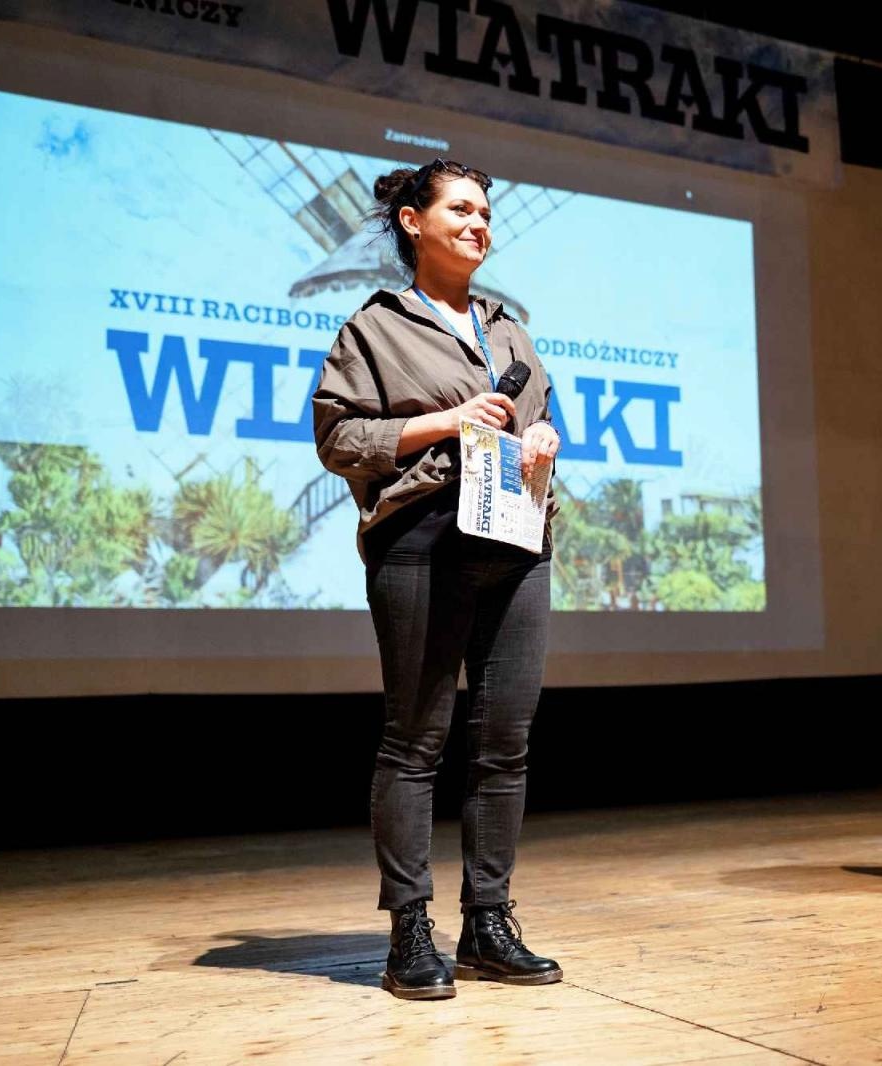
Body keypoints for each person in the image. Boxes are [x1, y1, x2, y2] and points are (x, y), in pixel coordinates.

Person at [313, 158, 563, 998]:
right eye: (460, 207)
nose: (479, 222)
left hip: (517, 539)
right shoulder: (374, 327)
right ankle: (409, 931)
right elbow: (339, 439)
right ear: (414, 223)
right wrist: (442, 423)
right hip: (423, 537)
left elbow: (542, 416)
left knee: (504, 746)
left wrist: (544, 441)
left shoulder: (508, 327)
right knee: (415, 743)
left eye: (487, 211)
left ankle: (488, 923)